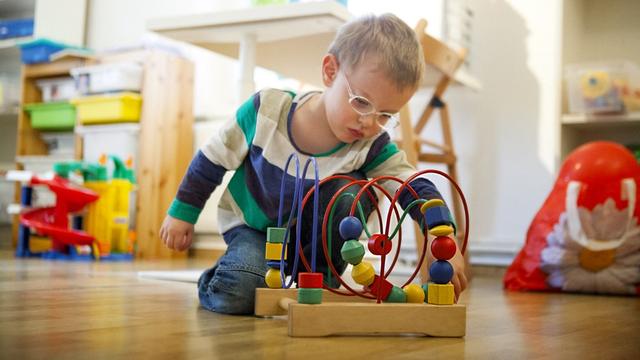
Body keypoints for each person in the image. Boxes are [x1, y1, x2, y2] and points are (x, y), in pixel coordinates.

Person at [159, 13, 467, 315]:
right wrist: (182, 213)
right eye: (361, 102)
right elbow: (212, 159)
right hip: (255, 231)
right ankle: (220, 277)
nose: (369, 122)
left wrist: (441, 234)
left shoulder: (371, 145)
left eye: (385, 115)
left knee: (349, 190)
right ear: (330, 72)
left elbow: (410, 182)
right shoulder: (266, 110)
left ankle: (323, 281)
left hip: (317, 247)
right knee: (236, 294)